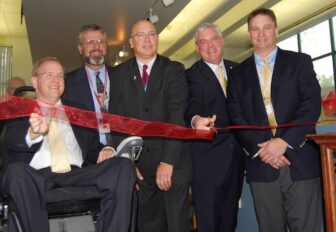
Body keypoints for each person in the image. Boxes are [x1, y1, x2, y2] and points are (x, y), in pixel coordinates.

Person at [1, 57, 136, 232]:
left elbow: (93, 148)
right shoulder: (18, 109)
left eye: (60, 76)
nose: (56, 80)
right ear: (34, 81)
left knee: (123, 166)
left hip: (77, 173)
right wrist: (33, 133)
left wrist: (107, 149)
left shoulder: (78, 111)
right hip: (35, 176)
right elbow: (10, 141)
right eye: (49, 75)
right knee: (16, 172)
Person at [226, 8, 322, 232]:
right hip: (262, 164)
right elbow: (235, 116)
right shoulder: (237, 74)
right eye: (255, 29)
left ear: (276, 29)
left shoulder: (300, 62)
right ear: (249, 34)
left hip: (300, 161)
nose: (261, 34)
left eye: (266, 27)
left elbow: (310, 106)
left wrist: (282, 143)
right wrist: (265, 150)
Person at [109, 20, 191, 232]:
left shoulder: (174, 70)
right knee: (148, 226)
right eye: (140, 35)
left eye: (151, 34)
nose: (147, 40)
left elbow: (176, 117)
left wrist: (167, 161)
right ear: (131, 42)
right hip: (140, 169)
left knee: (177, 225)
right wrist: (128, 163)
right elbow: (117, 122)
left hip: (173, 164)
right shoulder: (117, 75)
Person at [184, 23, 245, 232]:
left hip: (237, 160)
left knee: (230, 223)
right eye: (203, 42)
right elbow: (192, 103)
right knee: (208, 225)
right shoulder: (191, 75)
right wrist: (196, 119)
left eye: (214, 39)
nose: (209, 46)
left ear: (222, 41)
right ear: (197, 48)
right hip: (207, 164)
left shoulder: (239, 69)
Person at [62, 24, 113, 146]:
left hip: (120, 149)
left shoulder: (122, 77)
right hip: (88, 156)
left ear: (106, 46)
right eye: (90, 42)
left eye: (100, 41)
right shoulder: (67, 83)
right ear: (80, 48)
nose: (96, 46)